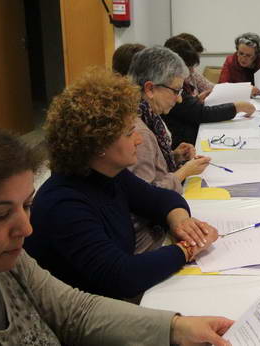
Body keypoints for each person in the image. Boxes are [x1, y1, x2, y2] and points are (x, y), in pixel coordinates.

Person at [0, 120, 232, 345]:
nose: (26, 228)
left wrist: (174, 328)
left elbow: (75, 311)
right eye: (0, 215)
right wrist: (185, 251)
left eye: (26, 205)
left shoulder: (8, 263)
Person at [26, 68, 219, 301]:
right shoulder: (63, 204)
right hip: (91, 318)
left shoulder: (108, 174)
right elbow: (121, 275)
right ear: (98, 144)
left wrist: (181, 221)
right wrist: (188, 248)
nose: (138, 139)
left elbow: (160, 199)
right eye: (129, 134)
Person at [125, 46, 213, 193]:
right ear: (150, 89)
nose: (179, 99)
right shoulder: (139, 132)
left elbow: (149, 167)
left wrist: (174, 157)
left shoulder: (147, 113)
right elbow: (144, 196)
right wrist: (184, 172)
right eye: (176, 91)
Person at [158, 38, 256, 148]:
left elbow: (190, 106)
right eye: (189, 67)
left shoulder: (178, 81)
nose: (192, 71)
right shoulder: (170, 85)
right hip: (187, 141)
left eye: (248, 55)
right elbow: (200, 113)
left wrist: (195, 101)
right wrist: (236, 107)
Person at [174, 32, 215, 99]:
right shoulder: (173, 82)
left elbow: (212, 88)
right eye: (190, 64)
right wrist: (197, 101)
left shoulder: (193, 74)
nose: (193, 70)